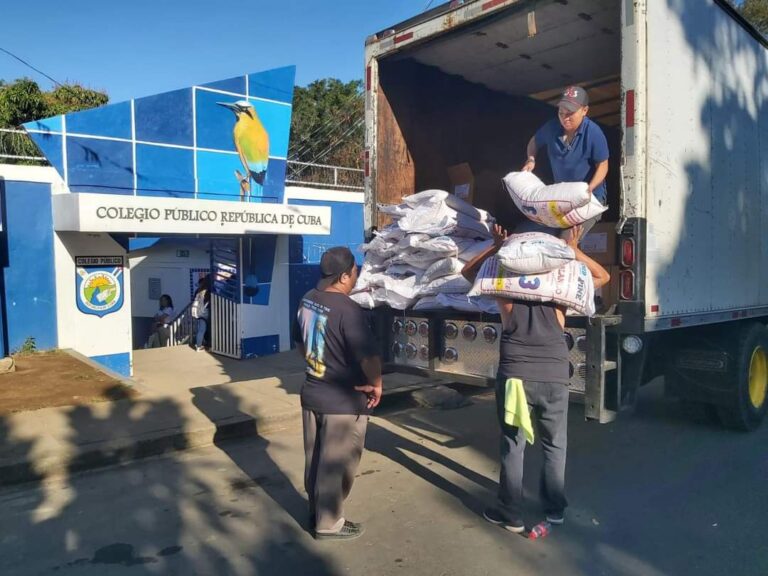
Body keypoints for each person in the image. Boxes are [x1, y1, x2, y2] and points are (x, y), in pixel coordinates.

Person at [462, 224, 609, 533]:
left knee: (512, 444)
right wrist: (573, 249)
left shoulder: (506, 288)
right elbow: (602, 278)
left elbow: (468, 273)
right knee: (555, 445)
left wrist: (496, 246)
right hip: (554, 376)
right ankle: (554, 510)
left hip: (516, 377)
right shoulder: (561, 290)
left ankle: (510, 513)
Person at [293, 246, 383, 541]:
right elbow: (368, 358)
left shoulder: (307, 300)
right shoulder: (349, 310)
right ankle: (329, 522)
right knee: (337, 464)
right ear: (345, 275)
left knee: (316, 459)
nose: (356, 275)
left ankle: (316, 511)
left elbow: (300, 344)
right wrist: (377, 383)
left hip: (313, 393)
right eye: (355, 271)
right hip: (342, 401)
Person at [522, 85, 609, 239]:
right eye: (561, 113)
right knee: (542, 237)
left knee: (566, 242)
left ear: (584, 111)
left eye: (570, 113)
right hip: (562, 197)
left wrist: (589, 189)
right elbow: (534, 142)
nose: (565, 118)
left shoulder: (593, 133)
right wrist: (531, 159)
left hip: (589, 198)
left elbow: (602, 165)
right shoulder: (552, 127)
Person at [191, 276, 211, 351]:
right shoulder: (210, 290)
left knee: (201, 329)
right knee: (210, 330)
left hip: (200, 312)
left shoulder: (198, 291)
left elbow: (194, 300)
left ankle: (198, 346)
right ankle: (209, 346)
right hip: (208, 312)